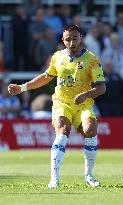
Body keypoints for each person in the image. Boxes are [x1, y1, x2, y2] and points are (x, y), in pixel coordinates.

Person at [8, 25, 106, 188]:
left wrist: (85, 95)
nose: (72, 42)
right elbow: (46, 77)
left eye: (75, 38)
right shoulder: (57, 57)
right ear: (63, 40)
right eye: (68, 39)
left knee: (90, 129)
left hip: (83, 104)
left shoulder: (92, 59)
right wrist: (22, 87)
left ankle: (89, 175)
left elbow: (102, 87)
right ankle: (54, 179)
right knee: (62, 131)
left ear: (80, 38)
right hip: (62, 102)